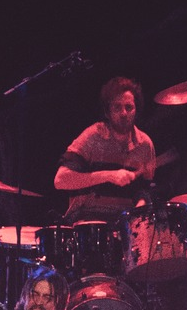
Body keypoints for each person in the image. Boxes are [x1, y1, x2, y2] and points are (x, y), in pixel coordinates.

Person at [54, 76, 156, 223]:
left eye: (129, 107)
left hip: (125, 224)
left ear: (136, 111)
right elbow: (61, 180)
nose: (123, 113)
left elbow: (145, 190)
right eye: (117, 107)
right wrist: (108, 175)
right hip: (88, 221)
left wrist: (141, 205)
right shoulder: (92, 136)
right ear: (107, 112)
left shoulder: (145, 145)